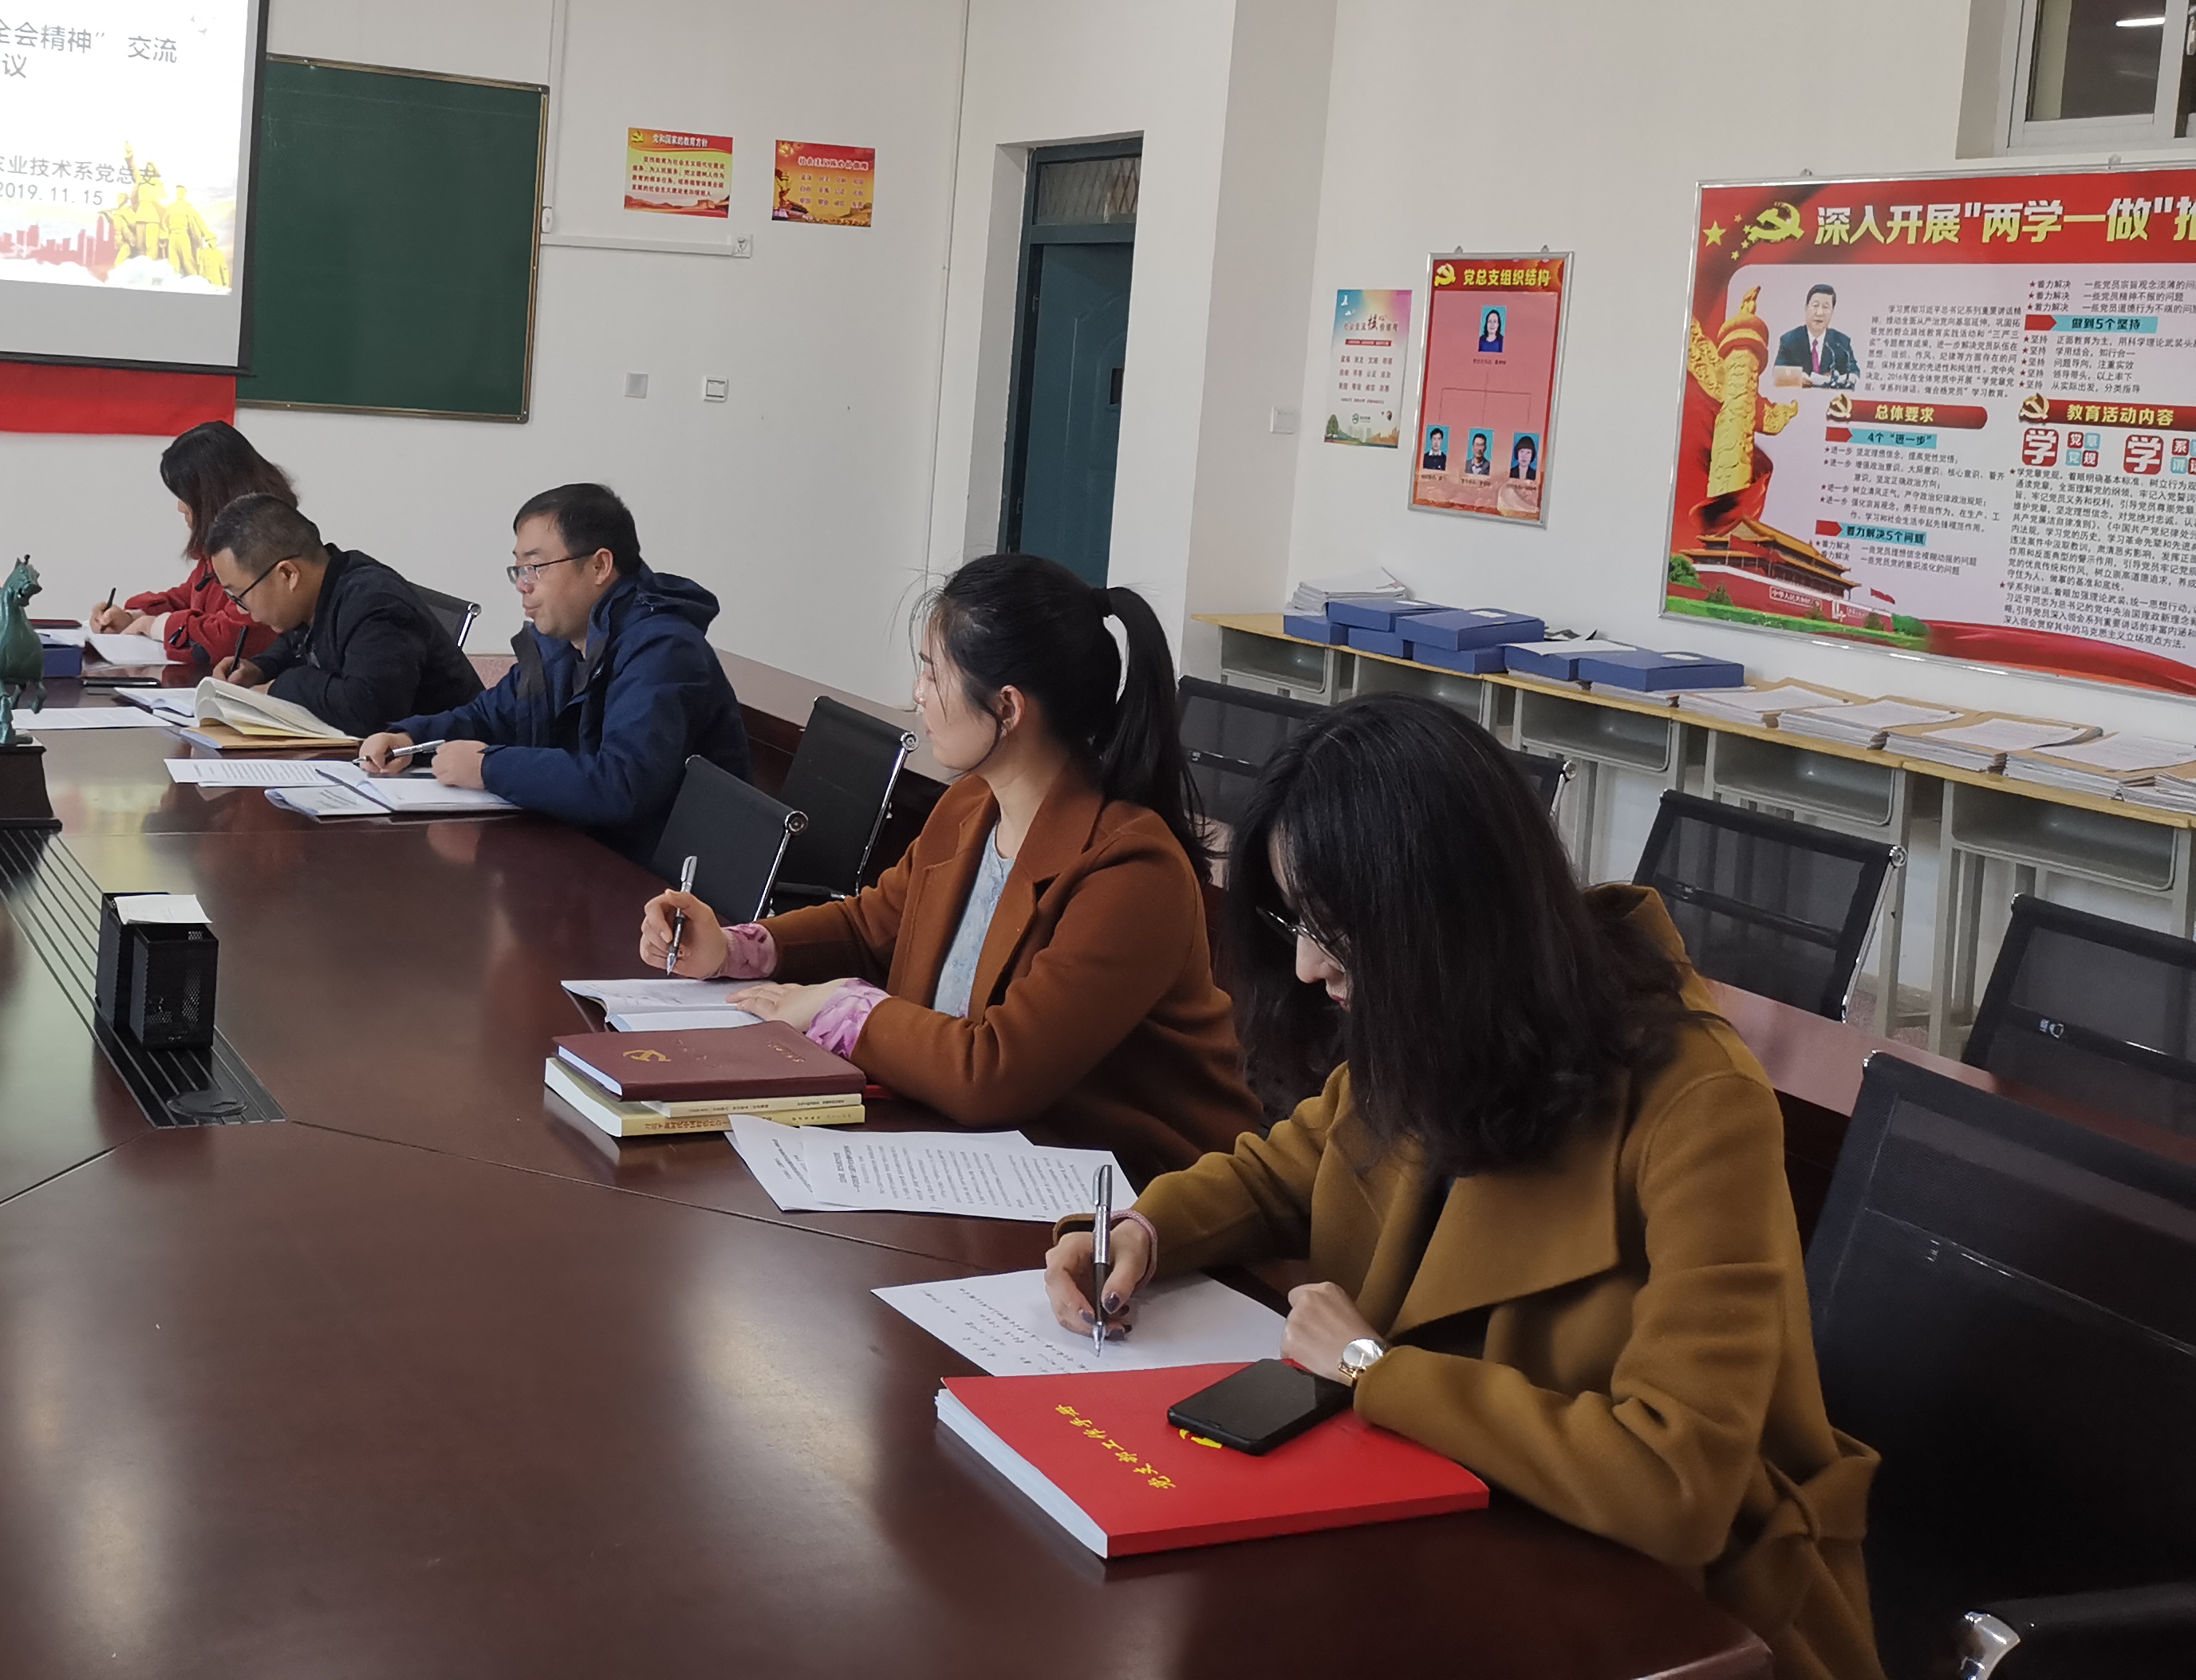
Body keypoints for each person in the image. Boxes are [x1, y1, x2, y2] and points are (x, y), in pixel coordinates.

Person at [1043, 699, 1883, 1680]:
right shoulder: (1444, 1017)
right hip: (1440, 1522)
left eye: (1334, 929)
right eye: (1297, 922)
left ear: (1441, 916)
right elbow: (1287, 1170)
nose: (1307, 966)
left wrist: (1371, 1365)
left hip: (1674, 1618)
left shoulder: (1699, 1104)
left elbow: (1675, 1483)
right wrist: (1143, 1230)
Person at [633, 556, 1258, 1174]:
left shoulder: (1132, 872)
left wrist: (838, 1008)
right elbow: (871, 929)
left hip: (1129, 1195)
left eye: (933, 673)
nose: (918, 693)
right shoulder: (971, 805)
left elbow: (995, 1073)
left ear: (1008, 708)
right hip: (972, 1157)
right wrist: (733, 949)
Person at [355, 483, 747, 865]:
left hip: (662, 879)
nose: (523, 586)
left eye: (535, 567)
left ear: (599, 566)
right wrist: (410, 739)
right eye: (518, 570)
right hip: (586, 851)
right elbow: (490, 716)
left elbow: (623, 783)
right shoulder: (563, 641)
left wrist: (488, 767)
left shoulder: (663, 650)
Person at [200, 492, 481, 735]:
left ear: (288, 574)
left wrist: (282, 686)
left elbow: (369, 711)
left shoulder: (375, 603)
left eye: (240, 595)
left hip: (444, 764)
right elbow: (298, 642)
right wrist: (261, 668)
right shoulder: (321, 586)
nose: (241, 608)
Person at [89, 421, 292, 672]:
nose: (180, 507)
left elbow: (232, 637)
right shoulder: (226, 542)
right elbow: (189, 597)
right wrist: (133, 618)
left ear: (211, 494)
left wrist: (156, 626)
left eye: (185, 497)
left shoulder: (265, 545)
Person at [1775, 284, 1859, 386]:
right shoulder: (1789, 340)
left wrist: (1845, 378)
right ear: (1806, 308)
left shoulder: (1841, 342)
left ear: (1832, 312)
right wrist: (1797, 378)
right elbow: (1778, 374)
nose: (1819, 313)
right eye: (1815, 306)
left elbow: (1854, 371)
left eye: (1826, 307)